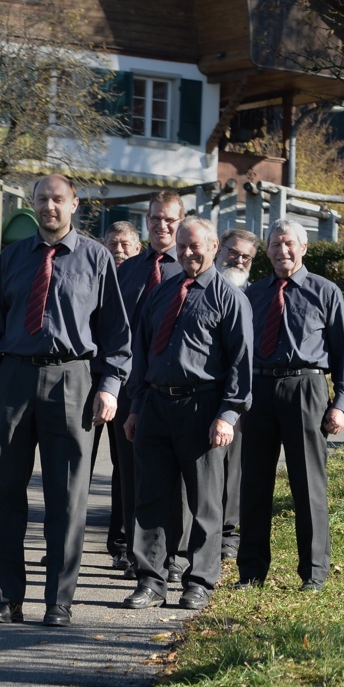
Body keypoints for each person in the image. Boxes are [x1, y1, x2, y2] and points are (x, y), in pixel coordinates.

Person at [0, 174, 130, 628]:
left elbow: (116, 333)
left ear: (74, 204)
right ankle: (7, 598)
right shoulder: (12, 258)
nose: (49, 206)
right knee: (2, 494)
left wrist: (110, 386)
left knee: (67, 497)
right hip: (14, 379)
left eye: (58, 199)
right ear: (33, 203)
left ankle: (59, 601)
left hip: (72, 379)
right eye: (42, 199)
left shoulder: (96, 258)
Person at [122, 216, 252, 612]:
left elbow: (241, 362)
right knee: (152, 499)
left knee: (205, 504)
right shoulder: (162, 293)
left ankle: (199, 583)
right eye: (182, 246)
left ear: (214, 247)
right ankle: (151, 581)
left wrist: (228, 414)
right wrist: (136, 408)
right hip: (156, 405)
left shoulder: (229, 298)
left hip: (203, 407)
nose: (187, 252)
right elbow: (141, 352)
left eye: (195, 245)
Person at [236, 218, 344, 592]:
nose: (282, 250)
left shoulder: (325, 292)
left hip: (306, 388)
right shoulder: (253, 294)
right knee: (254, 485)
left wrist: (340, 403)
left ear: (303, 247)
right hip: (259, 390)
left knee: (308, 484)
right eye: (275, 244)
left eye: (289, 243)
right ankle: (251, 572)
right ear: (266, 251)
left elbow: (343, 352)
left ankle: (314, 573)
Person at [112, 192, 189, 578]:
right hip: (130, 386)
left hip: (175, 387)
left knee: (176, 476)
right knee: (131, 473)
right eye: (156, 218)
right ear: (147, 221)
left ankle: (174, 556)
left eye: (169, 220)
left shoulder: (189, 270)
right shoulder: (125, 271)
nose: (162, 226)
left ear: (181, 222)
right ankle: (136, 555)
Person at [93, 220, 142, 568]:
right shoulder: (94, 273)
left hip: (128, 383)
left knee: (125, 464)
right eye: (113, 244)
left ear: (137, 248)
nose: (119, 250)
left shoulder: (143, 278)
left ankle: (122, 543)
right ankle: (61, 542)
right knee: (76, 464)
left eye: (126, 245)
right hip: (88, 379)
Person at [217, 228, 258, 559]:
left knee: (233, 469)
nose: (239, 260)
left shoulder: (256, 296)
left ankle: (228, 535)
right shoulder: (198, 288)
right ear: (219, 249)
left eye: (246, 256)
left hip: (238, 394)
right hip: (197, 392)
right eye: (233, 252)